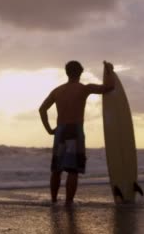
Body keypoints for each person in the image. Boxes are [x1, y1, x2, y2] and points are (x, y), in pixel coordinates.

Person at [39, 60, 115, 206]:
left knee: (57, 169)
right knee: (72, 170)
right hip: (75, 129)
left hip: (60, 130)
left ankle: (54, 201)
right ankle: (68, 203)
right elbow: (109, 87)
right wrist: (109, 70)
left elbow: (42, 109)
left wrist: (49, 129)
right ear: (80, 73)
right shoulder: (84, 89)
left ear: (67, 73)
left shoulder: (57, 91)